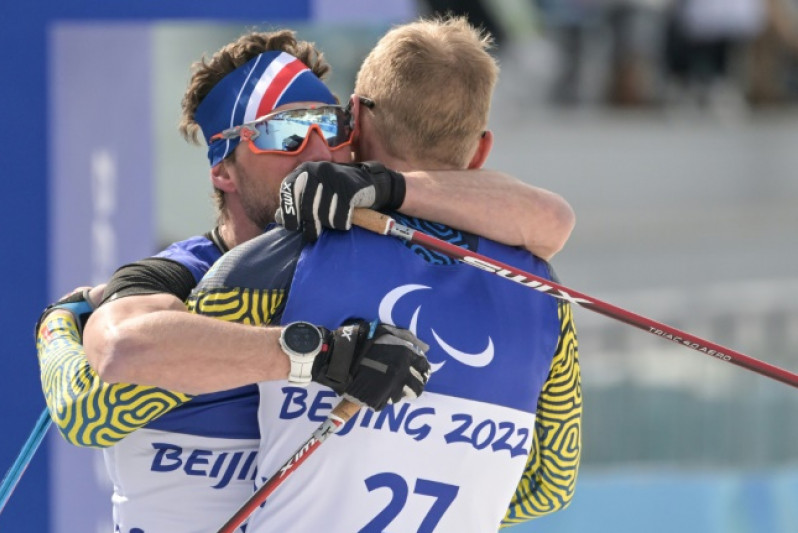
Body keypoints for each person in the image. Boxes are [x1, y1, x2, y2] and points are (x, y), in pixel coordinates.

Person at [38, 28, 576, 533]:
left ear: (356, 132)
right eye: (286, 134)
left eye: (331, 126)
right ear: (223, 167)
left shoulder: (327, 255)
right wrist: (57, 326)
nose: (318, 155)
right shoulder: (195, 277)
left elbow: (552, 220)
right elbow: (91, 408)